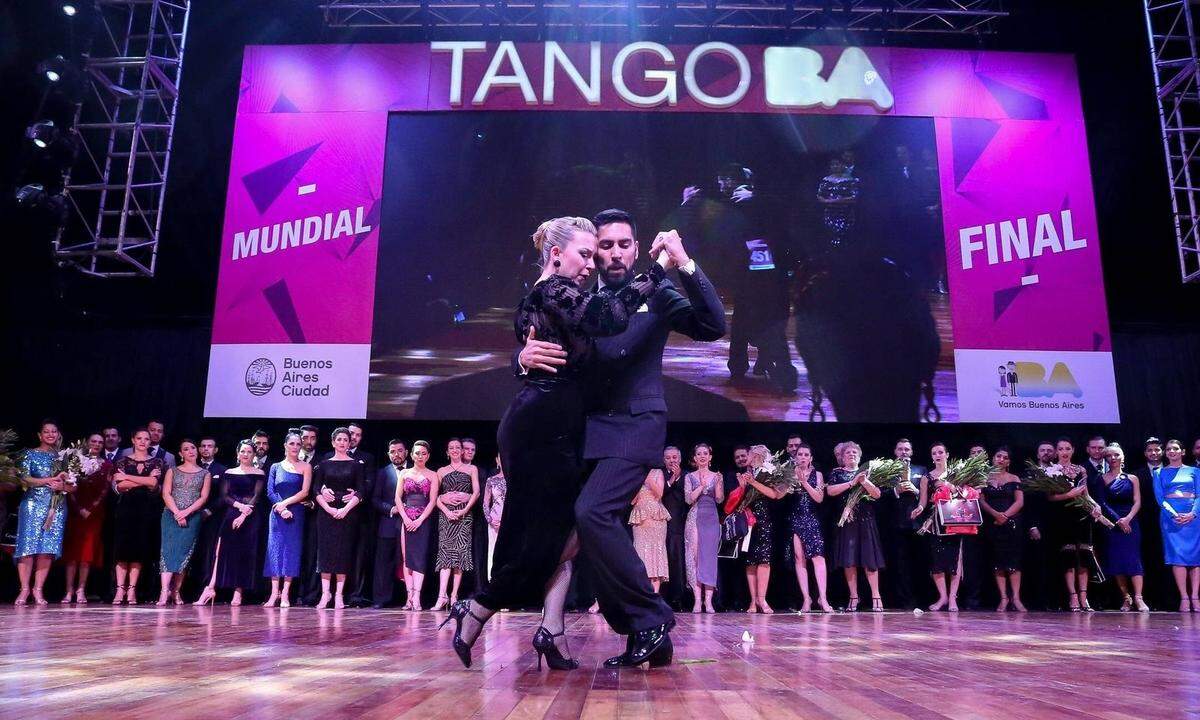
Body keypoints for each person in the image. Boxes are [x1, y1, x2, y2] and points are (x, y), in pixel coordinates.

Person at [444, 215, 670, 671]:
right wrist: (659, 271)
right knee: (549, 536)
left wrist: (521, 359)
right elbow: (606, 318)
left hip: (553, 424)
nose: (591, 264)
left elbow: (542, 347)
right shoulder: (555, 291)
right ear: (555, 255)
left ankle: (551, 629)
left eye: (593, 254)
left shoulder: (549, 295)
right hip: (542, 427)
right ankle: (480, 607)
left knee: (565, 531)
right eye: (585, 254)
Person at [194, 440, 265, 606]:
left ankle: (238, 592)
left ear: (253, 454)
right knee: (221, 552)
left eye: (249, 452)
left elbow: (256, 496)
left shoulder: (259, 473)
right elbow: (224, 495)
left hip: (250, 516)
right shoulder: (229, 472)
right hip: (232, 513)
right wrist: (239, 507)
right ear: (237, 453)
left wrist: (244, 513)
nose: (245, 454)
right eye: (243, 451)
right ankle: (210, 588)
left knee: (244, 554)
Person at [13, 421, 73, 605]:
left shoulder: (66, 457)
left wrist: (62, 485)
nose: (50, 434)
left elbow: (73, 487)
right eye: (46, 431)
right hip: (32, 505)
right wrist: (50, 480)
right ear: (40, 435)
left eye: (54, 431)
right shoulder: (28, 454)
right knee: (27, 548)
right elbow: (24, 479)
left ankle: (38, 589)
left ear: (58, 434)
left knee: (47, 548)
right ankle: (24, 589)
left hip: (56, 507)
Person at [826, 441, 884, 612]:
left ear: (859, 456)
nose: (851, 455)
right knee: (849, 560)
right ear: (842, 458)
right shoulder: (837, 473)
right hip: (848, 520)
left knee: (870, 559)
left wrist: (864, 481)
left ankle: (876, 595)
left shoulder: (869, 472)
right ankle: (853, 596)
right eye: (848, 453)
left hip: (866, 520)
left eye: (854, 452)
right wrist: (852, 482)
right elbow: (830, 491)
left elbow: (877, 494)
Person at [311, 427, 364, 609]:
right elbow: (316, 490)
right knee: (325, 553)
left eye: (345, 440)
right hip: (326, 514)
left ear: (350, 443)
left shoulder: (356, 464)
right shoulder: (324, 464)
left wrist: (345, 510)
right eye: (339, 439)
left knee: (343, 553)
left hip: (348, 514)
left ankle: (339, 595)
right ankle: (326, 594)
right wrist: (329, 508)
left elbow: (361, 491)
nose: (342, 442)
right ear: (333, 442)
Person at [1048, 437, 1103, 611]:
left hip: (1081, 516)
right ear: (1057, 451)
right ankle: (1072, 597)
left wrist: (1095, 505)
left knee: (1084, 557)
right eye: (1061, 449)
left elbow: (1085, 493)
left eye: (1067, 448)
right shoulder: (1051, 471)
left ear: (1073, 450)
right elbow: (1050, 497)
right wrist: (1068, 495)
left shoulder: (1081, 469)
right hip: (1063, 516)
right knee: (1069, 558)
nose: (1064, 452)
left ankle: (1084, 596)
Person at [111, 427, 165, 605]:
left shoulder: (157, 462)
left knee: (139, 550)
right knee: (122, 549)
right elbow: (120, 486)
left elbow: (153, 484)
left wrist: (129, 478)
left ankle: (132, 590)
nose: (143, 441)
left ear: (150, 442)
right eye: (139, 438)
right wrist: (143, 480)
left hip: (146, 511)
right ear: (133, 440)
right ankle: (120, 589)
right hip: (125, 509)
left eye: (146, 439)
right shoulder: (122, 460)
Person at [157, 440, 211, 606]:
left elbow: (204, 497)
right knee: (167, 552)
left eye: (193, 448)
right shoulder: (172, 471)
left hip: (192, 517)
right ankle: (164, 591)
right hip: (170, 516)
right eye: (186, 449)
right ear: (181, 454)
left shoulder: (205, 473)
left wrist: (186, 513)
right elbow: (166, 493)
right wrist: (177, 513)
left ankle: (176, 591)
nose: (191, 451)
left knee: (184, 553)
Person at [263, 431, 312, 608]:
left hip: (296, 512)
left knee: (291, 552)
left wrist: (285, 504)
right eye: (292, 444)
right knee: (274, 551)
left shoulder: (306, 467)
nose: (295, 447)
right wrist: (280, 507)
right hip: (276, 514)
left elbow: (305, 492)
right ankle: (273, 593)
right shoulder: (275, 466)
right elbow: (270, 491)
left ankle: (285, 594)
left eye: (298, 444)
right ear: (285, 445)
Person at [61, 432, 110, 604]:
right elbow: (70, 486)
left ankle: (81, 589)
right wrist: (79, 508)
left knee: (86, 555)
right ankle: (68, 590)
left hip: (94, 515)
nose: (97, 445)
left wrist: (90, 509)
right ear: (87, 442)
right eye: (93, 441)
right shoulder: (76, 461)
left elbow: (105, 490)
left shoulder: (107, 465)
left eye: (100, 442)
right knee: (72, 554)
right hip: (75, 514)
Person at [1098, 443, 1147, 612]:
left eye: (1116, 455)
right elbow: (1102, 503)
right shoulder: (1102, 479)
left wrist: (1128, 519)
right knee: (1116, 561)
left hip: (1131, 522)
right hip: (1113, 524)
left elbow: (1138, 501)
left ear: (1122, 457)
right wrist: (1119, 520)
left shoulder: (1133, 478)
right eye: (1109, 456)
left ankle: (1139, 598)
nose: (1113, 459)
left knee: (1134, 559)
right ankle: (1126, 598)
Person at [736, 445, 785, 614]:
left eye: (749, 454)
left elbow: (774, 494)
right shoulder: (749, 473)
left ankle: (762, 600)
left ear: (757, 456)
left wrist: (753, 482)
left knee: (763, 560)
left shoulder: (767, 473)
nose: (746, 456)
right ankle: (752, 601)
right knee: (750, 561)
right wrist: (743, 485)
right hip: (749, 520)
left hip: (764, 519)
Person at [914, 442, 962, 611]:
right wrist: (918, 509)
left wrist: (950, 486)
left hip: (955, 519)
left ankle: (953, 598)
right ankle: (942, 597)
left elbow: (966, 494)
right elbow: (923, 501)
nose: (938, 455)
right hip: (935, 521)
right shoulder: (928, 477)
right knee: (938, 560)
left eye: (941, 452)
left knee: (956, 560)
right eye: (934, 453)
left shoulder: (958, 473)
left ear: (947, 454)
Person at [433, 438, 479, 610]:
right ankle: (441, 596)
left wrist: (464, 510)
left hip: (464, 516)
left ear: (462, 451)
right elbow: (435, 497)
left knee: (459, 557)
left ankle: (454, 596)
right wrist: (446, 510)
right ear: (447, 452)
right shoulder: (441, 471)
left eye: (457, 447)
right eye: (451, 447)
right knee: (445, 556)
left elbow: (476, 492)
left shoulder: (471, 468)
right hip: (446, 516)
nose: (454, 450)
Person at [787, 443, 833, 613]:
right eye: (800, 454)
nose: (803, 457)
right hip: (795, 519)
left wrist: (804, 482)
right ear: (795, 457)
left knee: (818, 558)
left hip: (812, 519)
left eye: (806, 454)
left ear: (811, 458)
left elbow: (819, 498)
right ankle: (806, 599)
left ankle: (823, 598)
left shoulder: (818, 475)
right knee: (800, 559)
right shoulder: (788, 474)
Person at [1154, 439, 1200, 611]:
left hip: (1194, 518)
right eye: (1168, 449)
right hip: (1171, 518)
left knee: (1196, 557)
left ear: (1183, 451)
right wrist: (1174, 515)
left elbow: (1199, 495)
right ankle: (1184, 597)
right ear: (1165, 453)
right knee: (1177, 557)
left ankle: (1195, 596)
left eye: (1175, 448)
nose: (1172, 451)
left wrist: (1193, 514)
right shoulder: (1159, 473)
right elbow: (1160, 498)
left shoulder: (1195, 471)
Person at [980, 447, 1025, 612]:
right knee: (998, 562)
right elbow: (981, 501)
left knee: (1014, 562)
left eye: (1005, 457)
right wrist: (995, 515)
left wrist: (1004, 516)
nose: (1001, 459)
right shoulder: (984, 479)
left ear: (1009, 462)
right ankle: (1003, 598)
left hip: (1012, 524)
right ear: (993, 459)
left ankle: (1016, 598)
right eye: (998, 456)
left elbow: (1019, 502)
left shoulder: (1014, 478)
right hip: (993, 524)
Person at [885, 438, 927, 609]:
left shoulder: (921, 470)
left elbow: (928, 495)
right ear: (895, 451)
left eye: (907, 449)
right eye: (900, 449)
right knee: (900, 565)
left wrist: (915, 490)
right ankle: (904, 601)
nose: (903, 452)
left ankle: (921, 599)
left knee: (919, 564)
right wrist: (896, 491)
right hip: (896, 524)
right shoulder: (887, 470)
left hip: (917, 525)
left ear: (912, 452)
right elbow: (880, 495)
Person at [397, 440, 439, 610]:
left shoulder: (433, 475)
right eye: (417, 453)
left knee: (419, 558)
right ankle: (409, 597)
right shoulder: (404, 473)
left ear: (428, 456)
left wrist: (420, 520)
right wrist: (405, 518)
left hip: (423, 520)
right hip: (406, 518)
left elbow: (433, 501)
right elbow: (397, 498)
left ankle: (417, 596)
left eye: (423, 453)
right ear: (411, 454)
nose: (420, 456)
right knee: (407, 559)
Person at [683, 443, 723, 613]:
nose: (702, 456)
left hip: (711, 518)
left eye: (705, 453)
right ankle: (697, 601)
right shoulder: (689, 477)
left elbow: (720, 499)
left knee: (709, 558)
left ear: (710, 457)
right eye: (698, 453)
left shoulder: (716, 476)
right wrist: (700, 486)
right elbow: (688, 499)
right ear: (694, 458)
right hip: (695, 517)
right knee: (695, 557)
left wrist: (719, 484)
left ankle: (709, 601)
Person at [371, 439, 407, 608]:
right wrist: (392, 509)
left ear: (406, 452)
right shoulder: (382, 473)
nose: (396, 454)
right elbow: (375, 499)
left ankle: (408, 598)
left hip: (411, 525)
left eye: (399, 451)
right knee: (384, 563)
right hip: (388, 524)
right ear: (388, 454)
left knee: (408, 562)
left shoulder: (415, 472)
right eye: (392, 451)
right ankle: (381, 599)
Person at [1021, 441, 1056, 609]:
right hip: (1037, 525)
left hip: (1058, 524)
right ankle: (1039, 601)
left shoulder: (1061, 472)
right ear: (1037, 454)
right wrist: (1032, 525)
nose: (1046, 453)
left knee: (1056, 563)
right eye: (1042, 450)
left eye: (1050, 450)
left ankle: (1056, 601)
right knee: (1038, 564)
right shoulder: (1028, 474)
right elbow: (1026, 504)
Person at [192, 437, 227, 600]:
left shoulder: (222, 470)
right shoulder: (192, 468)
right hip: (189, 516)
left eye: (210, 446)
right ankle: (186, 588)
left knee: (208, 552)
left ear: (216, 450)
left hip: (211, 518)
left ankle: (204, 587)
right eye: (203, 446)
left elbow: (223, 496)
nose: (206, 449)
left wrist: (209, 510)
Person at [631, 469, 672, 593]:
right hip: (640, 517)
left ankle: (655, 594)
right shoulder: (635, 473)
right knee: (640, 552)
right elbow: (632, 500)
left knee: (656, 552)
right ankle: (642, 593)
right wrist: (638, 480)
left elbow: (659, 493)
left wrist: (647, 478)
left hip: (656, 518)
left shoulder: (657, 472)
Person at [660, 446, 688, 609]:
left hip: (680, 524)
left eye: (675, 457)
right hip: (660, 524)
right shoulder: (659, 475)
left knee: (678, 560)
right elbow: (658, 494)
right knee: (663, 561)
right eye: (668, 458)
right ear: (663, 460)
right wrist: (672, 480)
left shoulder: (687, 476)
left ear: (680, 459)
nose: (672, 460)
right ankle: (662, 597)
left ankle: (678, 598)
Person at [481, 456, 505, 583]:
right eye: (501, 457)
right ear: (497, 460)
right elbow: (485, 503)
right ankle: (493, 581)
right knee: (493, 550)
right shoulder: (491, 480)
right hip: (494, 521)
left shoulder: (516, 480)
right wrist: (490, 519)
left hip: (509, 521)